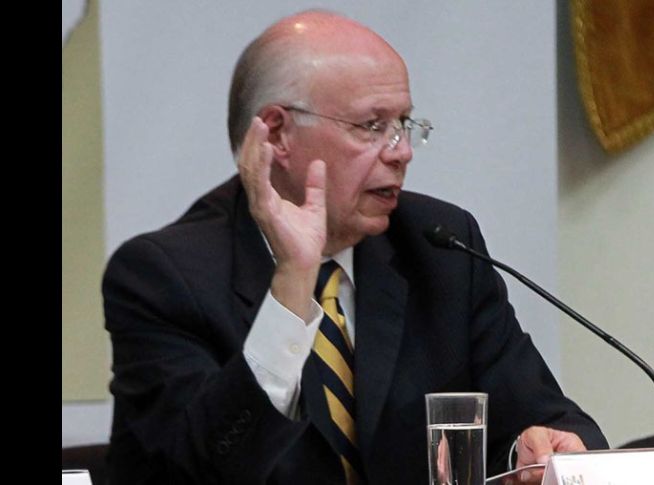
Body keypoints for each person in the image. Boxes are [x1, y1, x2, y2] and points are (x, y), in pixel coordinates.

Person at [104, 10, 608, 485]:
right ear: (277, 134)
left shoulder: (439, 247)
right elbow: (189, 471)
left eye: (404, 124)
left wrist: (535, 450)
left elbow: (549, 419)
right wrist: (293, 285)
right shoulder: (163, 277)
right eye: (372, 126)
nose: (402, 151)